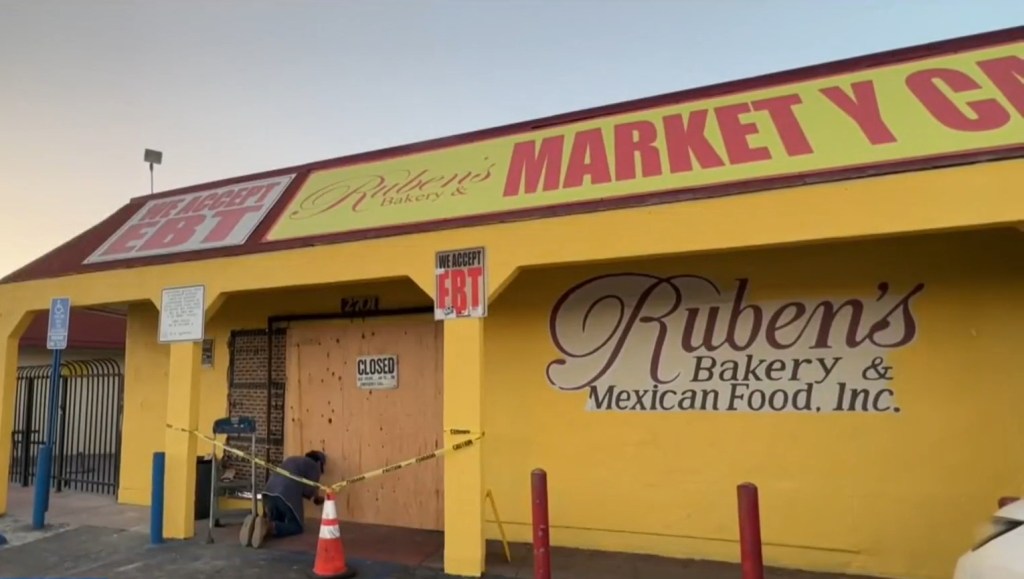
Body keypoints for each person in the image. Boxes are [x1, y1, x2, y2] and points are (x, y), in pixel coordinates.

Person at [240, 450, 327, 548]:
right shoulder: (314, 466)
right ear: (319, 462)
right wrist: (316, 498)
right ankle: (268, 526)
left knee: (277, 522)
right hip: (285, 495)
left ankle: (258, 525)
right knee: (296, 526)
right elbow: (309, 490)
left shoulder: (292, 460)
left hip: (268, 493)